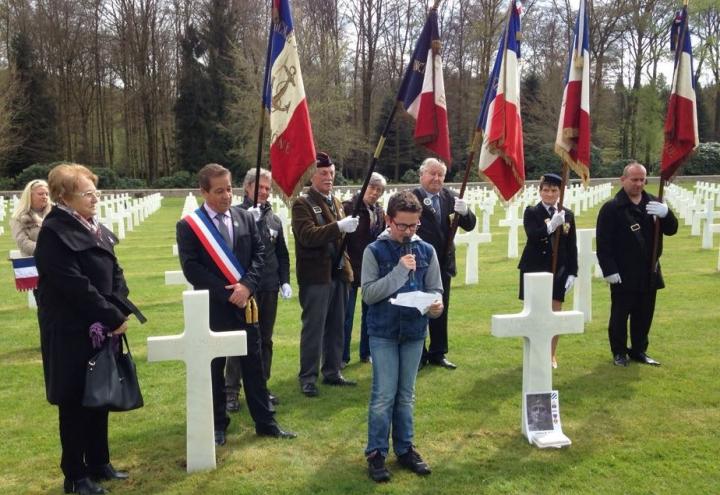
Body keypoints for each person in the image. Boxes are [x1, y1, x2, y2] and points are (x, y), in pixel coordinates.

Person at [35, 164, 144, 495]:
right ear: (64, 196)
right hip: (72, 331)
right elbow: (75, 285)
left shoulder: (94, 227)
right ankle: (75, 475)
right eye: (88, 193)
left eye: (96, 192)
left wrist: (120, 307)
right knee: (75, 403)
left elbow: (115, 271)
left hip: (102, 327)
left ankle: (99, 462)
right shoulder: (54, 233)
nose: (95, 198)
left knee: (100, 395)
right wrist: (111, 316)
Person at [177, 163, 295, 445]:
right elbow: (192, 268)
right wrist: (228, 291)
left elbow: (260, 255)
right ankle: (218, 425)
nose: (226, 196)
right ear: (203, 192)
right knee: (215, 369)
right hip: (214, 308)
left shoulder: (245, 218)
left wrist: (246, 286)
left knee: (253, 366)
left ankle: (265, 422)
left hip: (247, 306)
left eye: (229, 189)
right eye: (219, 191)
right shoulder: (189, 227)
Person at [362, 191, 444, 483]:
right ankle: (376, 453)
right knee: (384, 395)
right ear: (388, 220)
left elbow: (435, 289)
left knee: (406, 396)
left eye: (414, 226)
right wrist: (399, 272)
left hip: (413, 332)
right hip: (383, 331)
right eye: (402, 226)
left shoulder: (427, 251)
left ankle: (405, 449)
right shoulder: (374, 251)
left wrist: (436, 305)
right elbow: (369, 294)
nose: (409, 232)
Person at [596, 162, 678, 367]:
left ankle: (639, 350)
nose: (639, 184)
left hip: (649, 270)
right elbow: (603, 244)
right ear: (623, 180)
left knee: (644, 314)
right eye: (634, 179)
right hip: (623, 272)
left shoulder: (653, 203)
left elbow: (672, 230)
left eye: (642, 179)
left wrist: (666, 214)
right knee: (620, 315)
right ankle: (619, 352)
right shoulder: (612, 208)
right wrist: (609, 270)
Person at [292, 151, 359, 397]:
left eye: (331, 173)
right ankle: (308, 377)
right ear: (312, 175)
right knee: (314, 328)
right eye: (323, 173)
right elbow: (308, 236)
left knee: (336, 326)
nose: (328, 177)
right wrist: (338, 227)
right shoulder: (303, 203)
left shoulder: (336, 202)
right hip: (316, 275)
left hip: (339, 272)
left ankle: (332, 371)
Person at [225, 168, 291, 411]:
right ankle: (231, 391)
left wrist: (284, 280)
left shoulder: (273, 219)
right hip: (245, 288)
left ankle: (262, 386)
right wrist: (245, 224)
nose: (264, 192)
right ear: (248, 188)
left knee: (265, 339)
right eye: (260, 187)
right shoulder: (235, 215)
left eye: (267, 188)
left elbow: (281, 253)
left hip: (269, 287)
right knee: (239, 340)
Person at [412, 157, 476, 369]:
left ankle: (438, 352)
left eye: (440, 175)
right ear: (422, 175)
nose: (436, 178)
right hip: (419, 263)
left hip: (444, 262)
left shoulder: (451, 197)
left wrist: (465, 211)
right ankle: (418, 353)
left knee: (441, 308)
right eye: (432, 173)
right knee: (420, 307)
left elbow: (470, 225)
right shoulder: (412, 197)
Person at [518, 173, 578, 368]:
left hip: (558, 270)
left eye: (554, 190)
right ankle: (534, 353)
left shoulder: (567, 214)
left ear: (560, 192)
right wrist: (551, 225)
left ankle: (551, 354)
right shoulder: (532, 212)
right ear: (540, 191)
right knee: (533, 314)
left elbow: (571, 246)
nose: (549, 194)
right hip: (535, 268)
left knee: (555, 314)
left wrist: (572, 272)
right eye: (546, 190)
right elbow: (533, 235)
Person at [342, 172, 386, 366]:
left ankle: (366, 352)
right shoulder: (349, 208)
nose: (375, 192)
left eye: (379, 190)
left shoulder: (379, 211)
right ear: (364, 186)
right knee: (346, 315)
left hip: (371, 269)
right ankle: (342, 356)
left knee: (370, 314)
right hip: (351, 267)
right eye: (372, 187)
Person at [11, 179, 52, 256]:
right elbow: (22, 242)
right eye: (40, 194)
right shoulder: (19, 217)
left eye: (47, 194)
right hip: (32, 261)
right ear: (29, 196)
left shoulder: (55, 213)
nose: (44, 197)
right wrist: (46, 250)